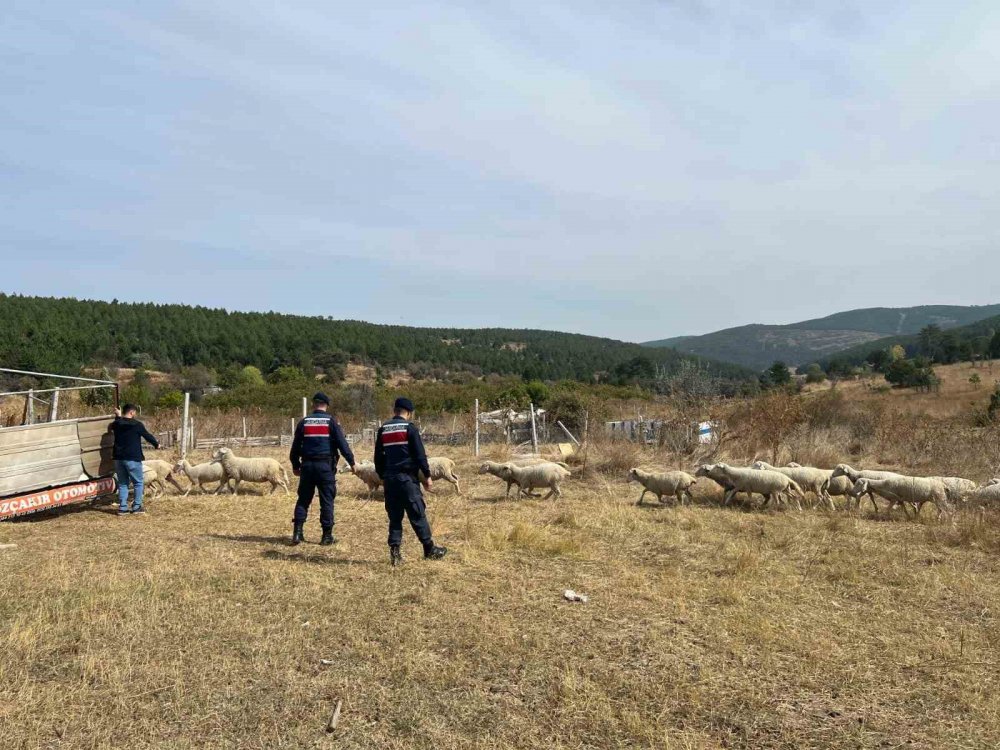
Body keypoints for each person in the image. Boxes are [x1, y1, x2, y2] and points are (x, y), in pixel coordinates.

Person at [374, 397, 447, 566]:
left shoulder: (383, 429)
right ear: (409, 412)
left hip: (390, 480)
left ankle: (395, 553)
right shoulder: (410, 428)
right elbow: (420, 455)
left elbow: (378, 457)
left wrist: (383, 476)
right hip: (407, 480)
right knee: (417, 513)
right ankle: (429, 549)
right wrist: (427, 476)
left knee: (394, 517)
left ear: (395, 411)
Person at [289, 392, 356, 546]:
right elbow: (342, 444)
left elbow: (295, 447)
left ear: (313, 404)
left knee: (303, 499)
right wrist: (352, 463)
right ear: (326, 405)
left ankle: (297, 533)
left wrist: (295, 465)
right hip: (325, 466)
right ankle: (326, 536)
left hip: (307, 466)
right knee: (327, 500)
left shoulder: (303, 422)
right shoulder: (331, 422)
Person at [111, 403, 159, 515]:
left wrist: (118, 416)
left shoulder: (116, 424)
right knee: (138, 482)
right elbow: (147, 436)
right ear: (132, 412)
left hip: (118, 458)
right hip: (132, 458)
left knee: (123, 483)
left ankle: (123, 508)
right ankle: (136, 507)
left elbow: (119, 423)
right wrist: (156, 444)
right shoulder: (137, 425)